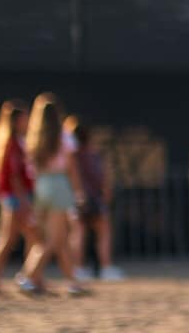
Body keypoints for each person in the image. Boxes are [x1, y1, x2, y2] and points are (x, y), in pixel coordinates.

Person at [21, 93, 89, 297]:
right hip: (59, 184)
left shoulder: (33, 137)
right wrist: (78, 192)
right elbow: (72, 167)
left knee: (57, 239)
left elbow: (31, 169)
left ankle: (72, 282)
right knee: (54, 238)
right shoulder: (64, 136)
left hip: (41, 185)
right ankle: (29, 276)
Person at [0, 100, 36, 295]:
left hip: (15, 196)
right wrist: (24, 201)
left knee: (23, 238)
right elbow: (14, 176)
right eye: (25, 118)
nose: (28, 122)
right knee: (13, 239)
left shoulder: (14, 142)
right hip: (16, 197)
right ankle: (27, 278)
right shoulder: (12, 144)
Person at [67, 117, 121, 281]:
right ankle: (106, 267)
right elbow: (103, 177)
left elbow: (71, 176)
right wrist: (106, 194)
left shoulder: (71, 156)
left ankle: (79, 268)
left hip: (77, 198)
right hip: (95, 199)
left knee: (78, 233)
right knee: (103, 232)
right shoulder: (93, 155)